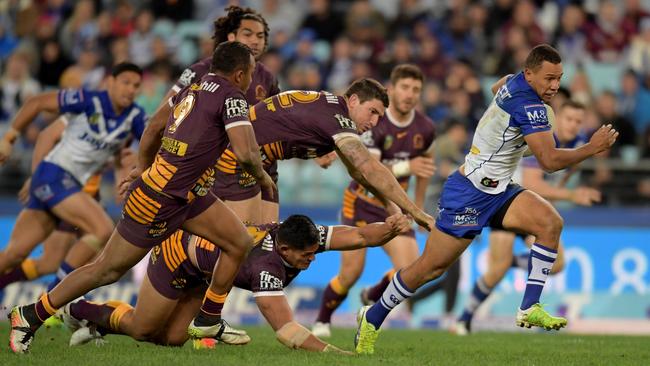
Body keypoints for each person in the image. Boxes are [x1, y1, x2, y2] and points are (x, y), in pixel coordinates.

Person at [9, 41, 276, 354]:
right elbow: (245, 153)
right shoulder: (232, 96)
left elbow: (152, 129)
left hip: (189, 195)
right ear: (240, 73)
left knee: (239, 242)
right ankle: (29, 315)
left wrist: (143, 168)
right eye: (252, 72)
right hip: (158, 200)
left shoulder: (192, 87)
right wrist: (262, 177)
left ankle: (208, 319)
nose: (252, 80)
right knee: (105, 270)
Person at [353, 44, 619, 354]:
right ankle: (372, 316)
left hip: (500, 190)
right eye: (549, 78)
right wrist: (592, 146)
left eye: (559, 78)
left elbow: (497, 86)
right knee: (430, 268)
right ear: (530, 74)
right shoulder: (527, 105)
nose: (555, 86)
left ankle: (529, 306)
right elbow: (547, 162)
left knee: (550, 223)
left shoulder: (513, 81)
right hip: (468, 192)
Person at [60, 213, 411, 353]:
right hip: (175, 254)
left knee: (172, 339)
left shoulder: (299, 237)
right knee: (141, 329)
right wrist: (339, 356)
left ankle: (99, 323)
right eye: (306, 256)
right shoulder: (267, 268)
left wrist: (391, 227)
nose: (313, 259)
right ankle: (81, 309)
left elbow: (360, 234)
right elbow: (287, 330)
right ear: (286, 250)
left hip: (207, 270)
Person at [122, 5, 281, 224]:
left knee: (263, 244)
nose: (255, 40)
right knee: (235, 244)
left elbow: (281, 120)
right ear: (231, 36)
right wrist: (149, 160)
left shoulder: (268, 78)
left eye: (260, 36)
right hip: (215, 172)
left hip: (260, 168)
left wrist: (318, 148)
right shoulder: (201, 71)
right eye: (248, 34)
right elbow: (164, 117)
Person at [0, 62, 147, 298]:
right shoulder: (87, 101)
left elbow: (145, 148)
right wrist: (10, 137)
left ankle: (47, 299)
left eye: (136, 85)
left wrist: (125, 173)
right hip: (55, 176)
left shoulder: (135, 118)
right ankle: (50, 299)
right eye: (125, 82)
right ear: (111, 82)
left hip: (71, 189)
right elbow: (37, 104)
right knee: (102, 229)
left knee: (17, 255)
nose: (130, 89)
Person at [456, 100, 601, 335]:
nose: (573, 125)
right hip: (507, 204)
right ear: (557, 119)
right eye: (569, 119)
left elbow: (554, 182)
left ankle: (511, 262)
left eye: (578, 121)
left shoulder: (575, 144)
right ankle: (464, 318)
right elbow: (534, 183)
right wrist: (572, 195)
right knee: (495, 272)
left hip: (531, 211)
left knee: (557, 264)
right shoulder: (544, 139)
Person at [212, 79, 436, 231]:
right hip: (238, 157)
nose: (375, 122)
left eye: (380, 117)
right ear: (354, 100)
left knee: (267, 241)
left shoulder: (331, 111)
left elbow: (357, 172)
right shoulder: (338, 120)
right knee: (239, 245)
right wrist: (416, 212)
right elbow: (368, 167)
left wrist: (390, 206)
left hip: (263, 164)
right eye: (373, 112)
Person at [312, 64, 435, 337]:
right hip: (361, 202)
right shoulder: (372, 120)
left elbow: (425, 166)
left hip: (394, 207)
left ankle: (373, 295)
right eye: (405, 87)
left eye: (416, 89)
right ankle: (322, 320)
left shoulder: (425, 128)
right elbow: (371, 171)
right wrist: (408, 167)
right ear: (391, 90)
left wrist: (416, 207)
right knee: (350, 274)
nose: (410, 94)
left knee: (413, 269)